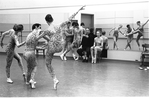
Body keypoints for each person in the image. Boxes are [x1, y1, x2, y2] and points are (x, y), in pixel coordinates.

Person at [36, 6, 85, 90]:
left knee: (48, 63)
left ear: (46, 21)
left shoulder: (47, 30)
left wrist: (37, 32)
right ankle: (55, 80)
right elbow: (70, 18)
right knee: (52, 43)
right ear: (53, 19)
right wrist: (78, 10)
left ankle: (54, 78)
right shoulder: (59, 25)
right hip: (60, 47)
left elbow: (37, 38)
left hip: (52, 47)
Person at [23, 23, 42, 89]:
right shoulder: (35, 33)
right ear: (36, 27)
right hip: (31, 53)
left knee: (29, 67)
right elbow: (36, 37)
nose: (40, 28)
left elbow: (33, 43)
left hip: (25, 52)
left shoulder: (29, 34)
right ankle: (32, 80)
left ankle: (27, 81)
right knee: (34, 66)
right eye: (39, 27)